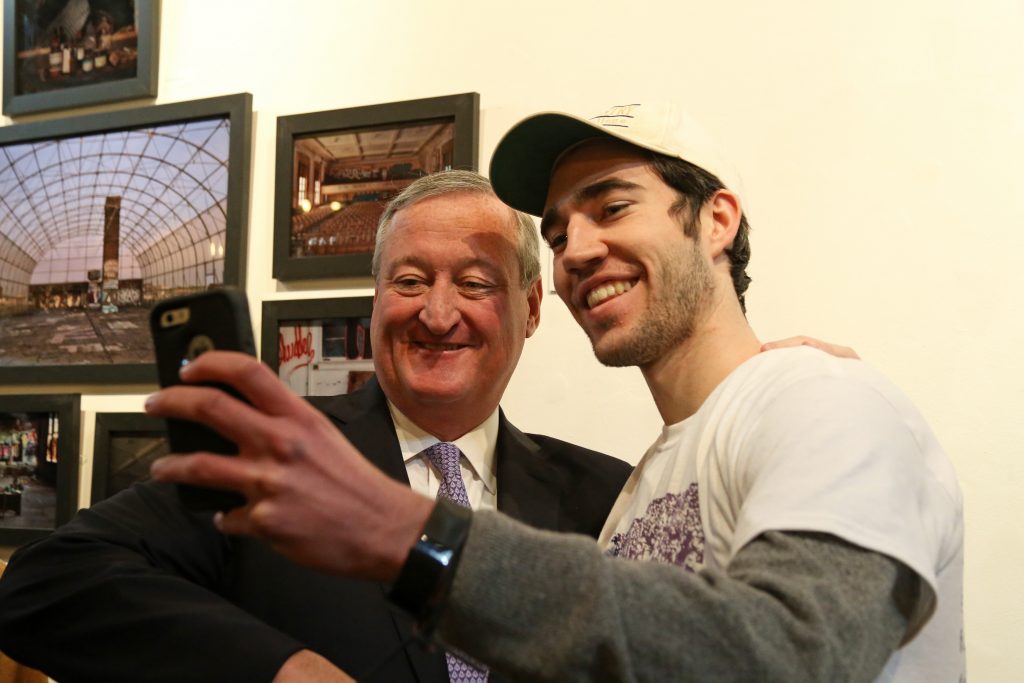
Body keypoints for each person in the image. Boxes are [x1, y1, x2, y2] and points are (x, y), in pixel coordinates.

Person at [140, 102, 964, 683]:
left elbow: (798, 655)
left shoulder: (820, 399)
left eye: (613, 205)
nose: (579, 247)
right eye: (560, 230)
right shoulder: (645, 481)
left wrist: (413, 538)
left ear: (716, 220)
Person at [0, 171, 633, 683]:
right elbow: (47, 581)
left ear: (528, 308)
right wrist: (281, 669)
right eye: (410, 281)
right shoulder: (274, 455)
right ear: (375, 298)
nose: (438, 315)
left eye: (474, 284)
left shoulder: (608, 497)